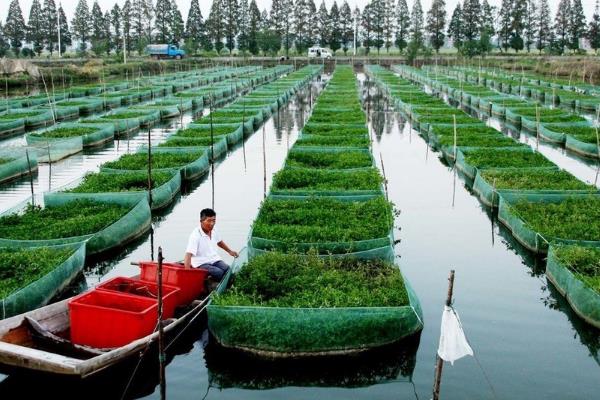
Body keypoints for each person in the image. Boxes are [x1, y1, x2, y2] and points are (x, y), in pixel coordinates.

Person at [184, 208, 238, 281]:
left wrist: (230, 251)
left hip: (214, 259)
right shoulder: (195, 236)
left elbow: (219, 242)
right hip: (201, 263)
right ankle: (210, 282)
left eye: (214, 220)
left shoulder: (214, 229)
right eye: (209, 221)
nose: (212, 224)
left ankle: (225, 284)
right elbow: (188, 255)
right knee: (218, 273)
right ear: (201, 221)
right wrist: (187, 273)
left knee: (227, 269)